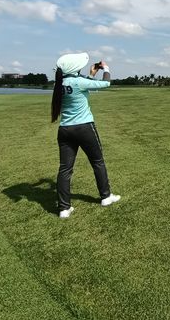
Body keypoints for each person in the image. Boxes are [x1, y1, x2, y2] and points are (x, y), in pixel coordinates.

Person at [51, 52, 120, 219]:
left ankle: (64, 208)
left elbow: (82, 85)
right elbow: (106, 83)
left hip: (65, 130)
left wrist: (90, 74)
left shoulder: (59, 84)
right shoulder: (79, 82)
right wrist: (106, 68)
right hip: (84, 128)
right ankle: (105, 196)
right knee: (98, 162)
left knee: (65, 169)